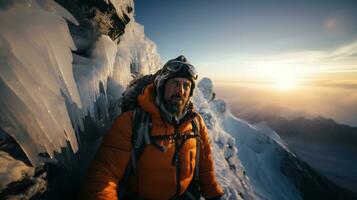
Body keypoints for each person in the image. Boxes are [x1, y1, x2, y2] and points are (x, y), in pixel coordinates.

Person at [80, 55, 224, 200]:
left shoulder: (195, 122)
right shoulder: (131, 122)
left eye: (186, 85)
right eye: (174, 83)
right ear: (161, 86)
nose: (180, 91)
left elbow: (205, 166)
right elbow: (104, 174)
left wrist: (214, 194)